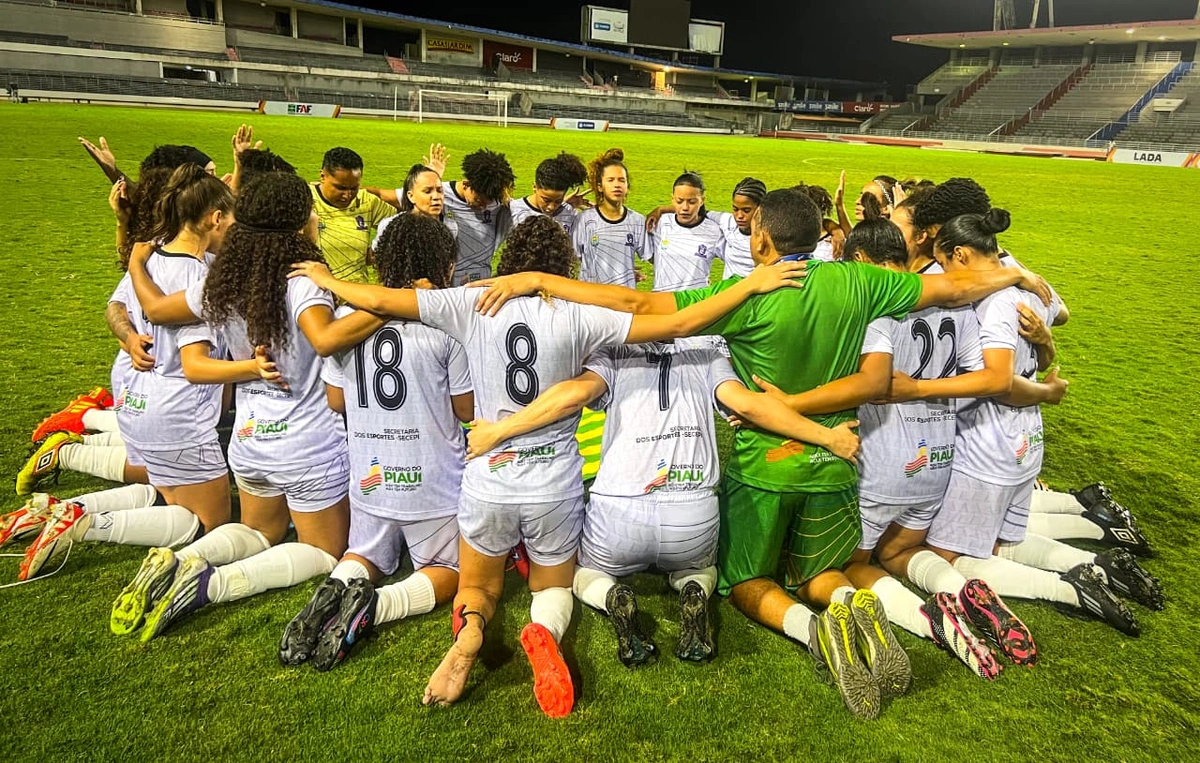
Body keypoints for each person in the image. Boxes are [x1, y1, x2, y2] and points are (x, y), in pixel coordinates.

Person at [466, 188, 1055, 719]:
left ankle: (815, 633)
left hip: (763, 467)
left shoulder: (741, 296)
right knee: (824, 569)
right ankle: (851, 602)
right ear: (822, 234)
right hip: (840, 462)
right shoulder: (860, 281)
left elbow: (636, 304)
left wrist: (539, 281)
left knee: (746, 582)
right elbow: (953, 285)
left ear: (761, 239)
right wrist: (1015, 274)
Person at [289, 215, 808, 718]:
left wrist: (323, 278)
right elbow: (678, 322)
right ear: (565, 266)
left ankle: (472, 626)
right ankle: (545, 634)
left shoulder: (471, 303)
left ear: (506, 261)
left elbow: (380, 299)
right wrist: (750, 285)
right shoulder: (580, 314)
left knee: (478, 586)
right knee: (553, 587)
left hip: (489, 477)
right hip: (554, 483)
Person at [464, 339, 859, 669]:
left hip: (619, 514)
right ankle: (694, 590)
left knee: (581, 575)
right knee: (700, 566)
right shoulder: (708, 350)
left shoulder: (615, 348)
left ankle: (612, 597)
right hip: (691, 514)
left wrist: (502, 429)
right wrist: (826, 437)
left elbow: (574, 394)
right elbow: (750, 405)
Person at [114, 170, 383, 643]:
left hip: (250, 440)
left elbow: (155, 311)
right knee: (324, 551)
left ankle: (183, 559)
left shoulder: (223, 282)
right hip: (305, 444)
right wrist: (389, 304)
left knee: (260, 530)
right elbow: (323, 338)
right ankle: (210, 584)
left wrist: (135, 265)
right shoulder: (301, 280)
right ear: (301, 222)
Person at [890, 211, 1159, 633]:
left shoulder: (993, 303)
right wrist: (1047, 351)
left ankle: (1069, 588)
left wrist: (918, 390)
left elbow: (999, 380)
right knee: (998, 541)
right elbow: (1052, 330)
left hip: (988, 444)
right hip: (1024, 438)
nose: (943, 273)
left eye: (944, 262)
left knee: (944, 553)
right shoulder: (1032, 288)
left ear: (959, 254)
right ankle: (1092, 562)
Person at [16, 165, 239, 583]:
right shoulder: (199, 279)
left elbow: (116, 308)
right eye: (230, 218)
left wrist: (129, 336)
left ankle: (59, 510)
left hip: (137, 400)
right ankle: (84, 524)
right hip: (179, 411)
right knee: (208, 523)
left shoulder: (151, 254)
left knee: (163, 493)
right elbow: (194, 360)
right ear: (214, 218)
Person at [280, 213, 474, 672]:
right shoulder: (445, 324)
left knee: (362, 555)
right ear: (443, 265)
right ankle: (380, 606)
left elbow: (334, 400)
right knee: (456, 570)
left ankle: (339, 585)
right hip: (432, 482)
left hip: (370, 475)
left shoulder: (346, 319)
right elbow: (465, 410)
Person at [310, 147, 395, 284]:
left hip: (357, 297)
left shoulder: (367, 201)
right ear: (323, 176)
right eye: (341, 188)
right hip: (317, 294)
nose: (348, 195)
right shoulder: (305, 200)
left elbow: (403, 226)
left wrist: (377, 252)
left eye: (354, 188)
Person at [572, 148, 647, 288]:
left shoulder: (637, 221)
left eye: (621, 180)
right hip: (591, 299)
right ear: (600, 187)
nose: (617, 185)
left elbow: (656, 257)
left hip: (623, 300)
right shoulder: (584, 220)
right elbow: (571, 258)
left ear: (627, 187)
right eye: (611, 180)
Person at [441, 148, 516, 285]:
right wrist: (429, 176)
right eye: (479, 200)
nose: (483, 207)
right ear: (466, 184)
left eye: (488, 203)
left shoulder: (500, 202)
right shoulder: (439, 193)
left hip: (481, 278)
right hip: (445, 281)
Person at [646, 171, 726, 291]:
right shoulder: (659, 224)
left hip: (695, 304)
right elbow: (646, 252)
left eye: (692, 202)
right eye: (679, 201)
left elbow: (734, 261)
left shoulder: (713, 231)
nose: (685, 208)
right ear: (672, 199)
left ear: (702, 200)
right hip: (661, 301)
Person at [374, 163, 458, 245]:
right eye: (427, 191)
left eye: (440, 190)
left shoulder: (450, 226)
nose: (436, 197)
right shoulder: (391, 226)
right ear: (411, 196)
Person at [507, 152, 588, 235]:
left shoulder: (568, 212)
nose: (551, 207)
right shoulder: (513, 211)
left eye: (558, 201)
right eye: (546, 200)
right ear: (535, 187)